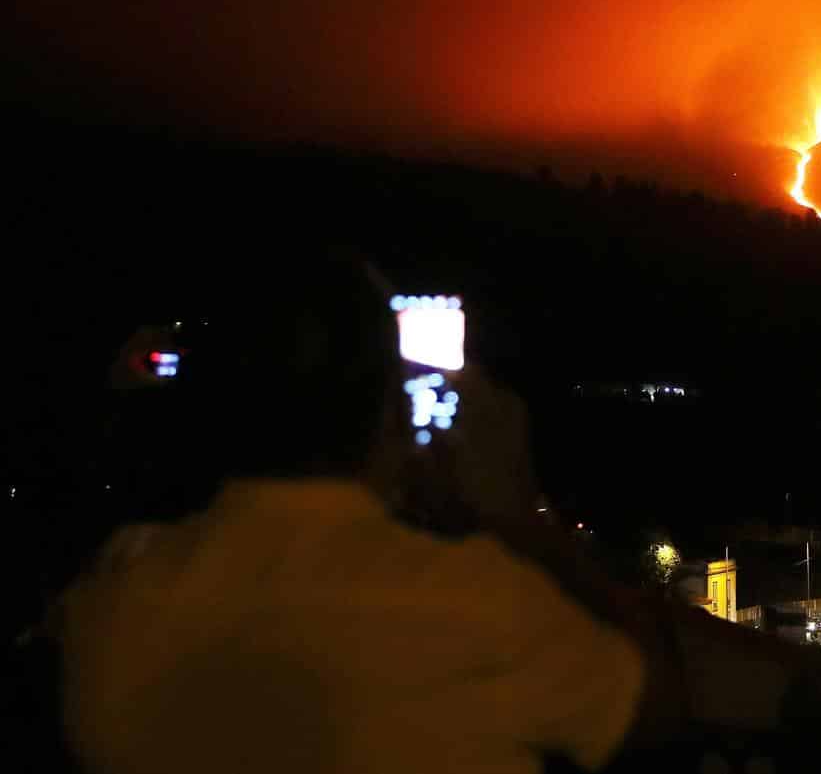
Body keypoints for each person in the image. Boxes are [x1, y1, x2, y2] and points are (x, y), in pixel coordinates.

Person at [56, 249, 706, 774]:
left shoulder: (108, 602)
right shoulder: (477, 601)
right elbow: (657, 718)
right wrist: (524, 524)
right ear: (388, 413)